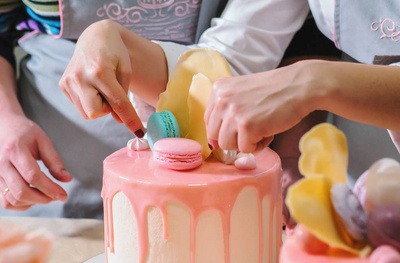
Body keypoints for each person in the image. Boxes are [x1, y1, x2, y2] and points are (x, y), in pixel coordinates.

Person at [0, 0, 311, 218]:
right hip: (52, 184)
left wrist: (291, 155)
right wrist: (5, 120)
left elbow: (245, 52)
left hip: (217, 191)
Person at [204, 0, 400, 189]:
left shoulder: (312, 80)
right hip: (366, 180)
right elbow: (241, 44)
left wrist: (312, 82)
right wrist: (174, 65)